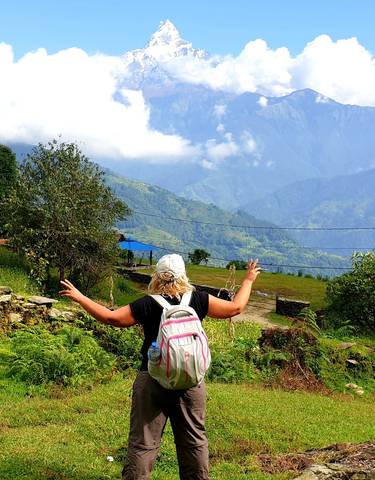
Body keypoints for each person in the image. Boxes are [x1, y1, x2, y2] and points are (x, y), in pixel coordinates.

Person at [59, 254, 261, 480]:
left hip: (152, 378)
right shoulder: (199, 300)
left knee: (143, 443)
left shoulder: (147, 303)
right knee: (194, 442)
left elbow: (112, 318)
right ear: (183, 275)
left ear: (157, 276)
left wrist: (80, 297)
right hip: (190, 382)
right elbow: (235, 308)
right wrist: (249, 279)